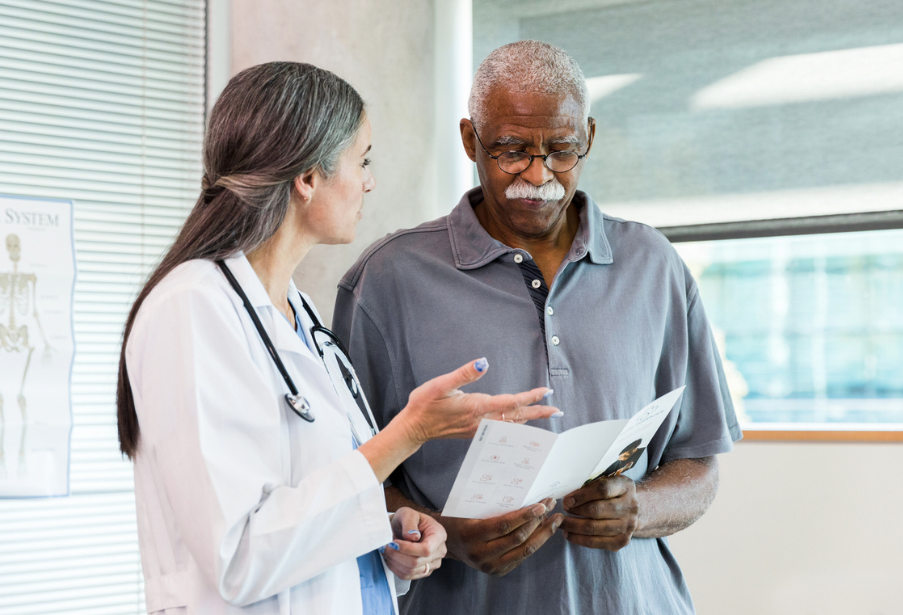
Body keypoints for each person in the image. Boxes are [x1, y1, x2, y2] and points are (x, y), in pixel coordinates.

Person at [116, 62, 560, 615]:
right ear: (307, 177)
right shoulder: (193, 307)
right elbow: (236, 558)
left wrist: (389, 535)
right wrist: (409, 433)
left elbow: (308, 508)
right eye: (362, 160)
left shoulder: (295, 312)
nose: (370, 181)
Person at [333, 41, 742, 614]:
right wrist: (445, 534)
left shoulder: (654, 265)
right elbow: (343, 480)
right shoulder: (387, 280)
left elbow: (699, 464)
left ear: (589, 138)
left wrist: (639, 509)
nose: (538, 174)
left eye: (562, 151)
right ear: (470, 140)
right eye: (511, 150)